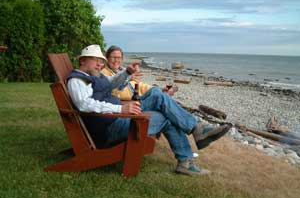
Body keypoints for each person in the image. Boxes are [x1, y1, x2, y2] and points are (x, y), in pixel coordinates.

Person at [67, 44, 232, 176]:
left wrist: (127, 72)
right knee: (167, 116)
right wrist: (120, 108)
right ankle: (188, 154)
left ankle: (196, 132)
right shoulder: (78, 80)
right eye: (96, 60)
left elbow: (111, 83)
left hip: (119, 117)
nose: (100, 64)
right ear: (82, 60)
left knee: (155, 92)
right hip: (111, 127)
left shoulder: (94, 75)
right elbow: (84, 105)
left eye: (101, 61)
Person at [101, 45, 177, 100]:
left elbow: (140, 85)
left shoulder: (124, 71)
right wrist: (127, 79)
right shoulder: (103, 73)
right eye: (113, 57)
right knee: (163, 99)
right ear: (107, 58)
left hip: (139, 98)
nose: (116, 60)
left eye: (119, 58)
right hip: (130, 103)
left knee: (157, 91)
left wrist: (160, 89)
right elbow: (113, 91)